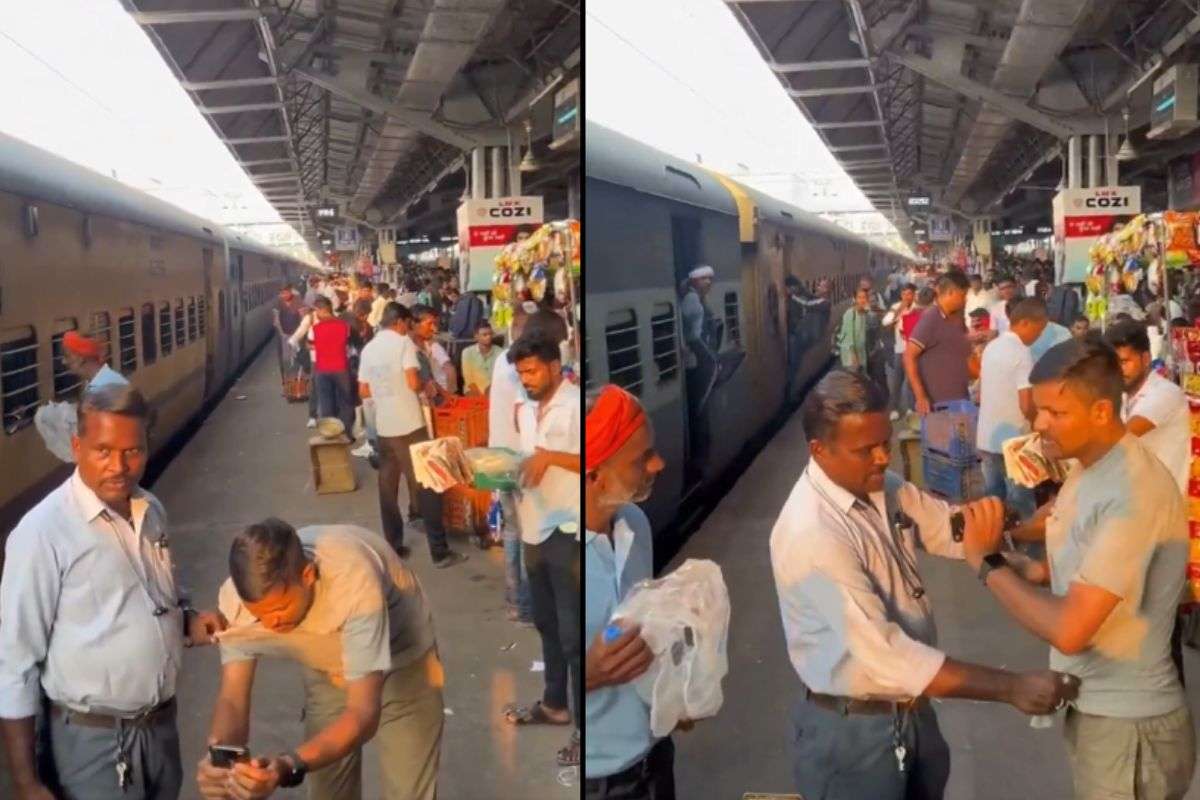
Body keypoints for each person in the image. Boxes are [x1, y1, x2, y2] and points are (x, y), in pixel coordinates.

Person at [770, 369, 1078, 799]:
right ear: (819, 450)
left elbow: (942, 527)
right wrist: (1012, 687)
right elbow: (887, 655)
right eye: (866, 450)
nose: (882, 458)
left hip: (909, 712)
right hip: (852, 737)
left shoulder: (880, 486)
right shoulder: (811, 535)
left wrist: (1018, 540)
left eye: (886, 443)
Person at [964, 338, 1194, 800]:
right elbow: (1077, 557)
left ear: (1103, 413)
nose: (1039, 422)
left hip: (1128, 730)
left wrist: (986, 563)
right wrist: (1026, 565)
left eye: (1056, 413)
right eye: (1040, 408)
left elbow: (1071, 629)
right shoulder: (1090, 467)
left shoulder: (1132, 491)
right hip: (1102, 716)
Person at [0, 384, 225, 800]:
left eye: (132, 451)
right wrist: (26, 783)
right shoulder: (42, 532)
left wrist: (188, 618)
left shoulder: (150, 509)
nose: (119, 466)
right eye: (103, 450)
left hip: (159, 731)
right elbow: (14, 663)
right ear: (76, 446)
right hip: (91, 745)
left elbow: (157, 592)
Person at [195, 520, 443, 800]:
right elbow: (233, 697)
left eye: (281, 608)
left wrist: (289, 764)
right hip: (328, 668)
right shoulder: (236, 602)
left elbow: (363, 714)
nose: (271, 622)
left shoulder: (352, 581)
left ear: (308, 575)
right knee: (329, 790)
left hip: (406, 661)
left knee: (408, 790)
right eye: (259, 614)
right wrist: (222, 761)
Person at [584, 385, 677, 800]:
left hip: (655, 758)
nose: (658, 464)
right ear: (594, 473)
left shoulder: (636, 524)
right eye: (641, 459)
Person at [501, 334, 582, 768]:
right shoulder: (528, 409)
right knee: (548, 625)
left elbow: (590, 461)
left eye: (532, 371)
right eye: (521, 374)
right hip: (534, 527)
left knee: (574, 638)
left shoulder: (574, 406)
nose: (527, 380)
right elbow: (530, 460)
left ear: (554, 366)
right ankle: (554, 703)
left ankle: (584, 733)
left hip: (566, 531)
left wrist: (551, 457)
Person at [358, 303, 466, 568]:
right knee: (429, 485)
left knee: (388, 488)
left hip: (385, 427)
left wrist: (386, 393)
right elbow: (412, 382)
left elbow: (363, 391)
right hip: (409, 424)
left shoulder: (369, 348)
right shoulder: (403, 344)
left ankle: (394, 546)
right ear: (401, 322)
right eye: (407, 323)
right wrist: (419, 386)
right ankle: (439, 551)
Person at [488, 308, 566, 628]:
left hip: (500, 456)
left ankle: (514, 602)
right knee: (529, 536)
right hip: (520, 460)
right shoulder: (525, 373)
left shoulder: (502, 359)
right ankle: (527, 606)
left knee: (512, 532)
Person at [975, 298, 1048, 520]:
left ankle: (995, 543)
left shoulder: (992, 347)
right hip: (1015, 443)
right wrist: (1040, 426)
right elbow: (1026, 404)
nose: (1039, 336)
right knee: (1022, 504)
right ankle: (1025, 549)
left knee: (993, 500)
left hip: (987, 437)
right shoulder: (1021, 353)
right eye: (1039, 329)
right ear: (1025, 323)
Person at [1105, 320, 1189, 493]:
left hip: (1166, 506)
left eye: (1123, 362)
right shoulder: (1122, 396)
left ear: (1145, 359)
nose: (1117, 371)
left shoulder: (1165, 393)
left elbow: (1119, 438)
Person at [904, 270, 971, 415]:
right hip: (939, 404)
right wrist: (921, 396)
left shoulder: (955, 318)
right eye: (963, 295)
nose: (965, 300)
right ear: (951, 292)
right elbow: (909, 356)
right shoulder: (931, 319)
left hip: (959, 399)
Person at [290, 297, 355, 436]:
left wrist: (318, 346)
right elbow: (347, 344)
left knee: (326, 402)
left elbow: (309, 345)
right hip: (341, 369)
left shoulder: (316, 328)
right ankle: (347, 433)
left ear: (321, 310)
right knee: (345, 401)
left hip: (322, 369)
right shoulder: (344, 326)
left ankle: (330, 433)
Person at [680, 266, 717, 479]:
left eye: (710, 279)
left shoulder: (694, 298)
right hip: (696, 358)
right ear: (695, 281)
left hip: (697, 357)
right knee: (699, 407)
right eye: (705, 279)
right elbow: (691, 334)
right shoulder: (692, 301)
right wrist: (708, 356)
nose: (709, 283)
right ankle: (699, 459)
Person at [881, 283, 918, 419]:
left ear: (914, 294)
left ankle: (910, 408)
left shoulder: (917, 308)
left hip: (913, 350)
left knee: (910, 381)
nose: (906, 297)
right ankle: (894, 409)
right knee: (897, 380)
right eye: (904, 294)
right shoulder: (895, 307)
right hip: (899, 349)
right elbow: (885, 322)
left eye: (909, 294)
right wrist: (899, 310)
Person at [62, 330, 128, 390]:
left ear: (81, 358)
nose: (63, 361)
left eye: (67, 356)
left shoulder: (102, 387)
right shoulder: (98, 379)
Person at [460, 320, 502, 396]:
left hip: (493, 390)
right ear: (476, 336)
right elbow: (468, 379)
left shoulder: (500, 352)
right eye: (484, 335)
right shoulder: (467, 352)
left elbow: (500, 378)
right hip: (472, 390)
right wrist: (480, 396)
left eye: (490, 334)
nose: (489, 337)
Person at [837, 287, 871, 373]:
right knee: (853, 381)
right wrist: (854, 358)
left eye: (864, 297)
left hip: (861, 354)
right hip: (851, 357)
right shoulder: (850, 314)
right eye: (859, 297)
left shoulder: (863, 314)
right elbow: (848, 338)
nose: (862, 300)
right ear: (855, 299)